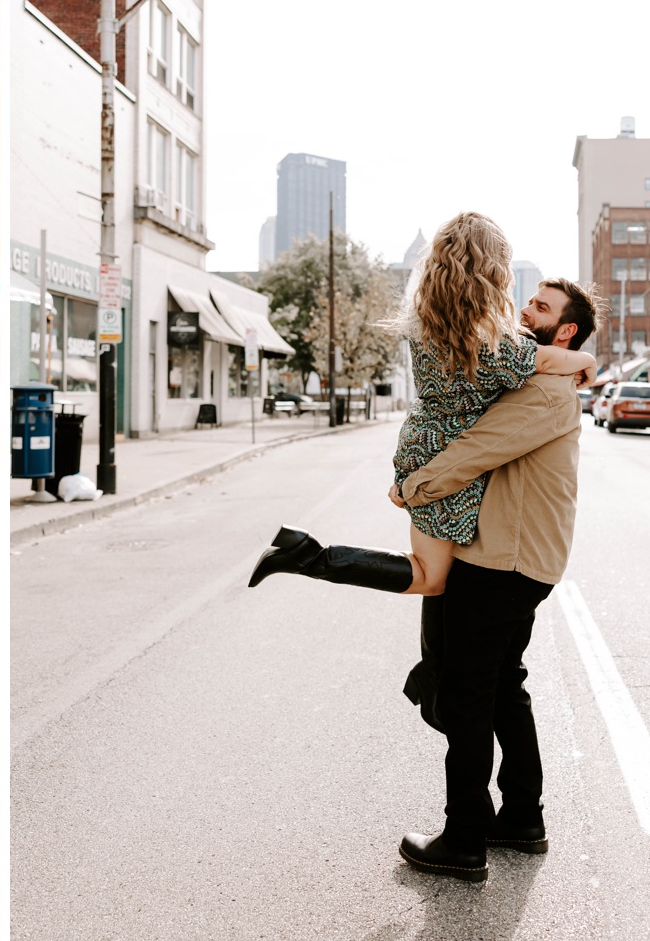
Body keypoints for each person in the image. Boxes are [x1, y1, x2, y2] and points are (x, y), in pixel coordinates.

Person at [248, 213, 596, 596]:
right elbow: (546, 360)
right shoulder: (497, 343)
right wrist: (587, 361)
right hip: (445, 454)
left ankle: (307, 555)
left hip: (420, 440)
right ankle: (309, 556)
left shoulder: (427, 319)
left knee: (433, 574)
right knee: (431, 579)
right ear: (493, 270)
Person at [382, 277, 596, 880]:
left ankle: (464, 837)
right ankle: (522, 817)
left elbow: (478, 447)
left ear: (567, 329)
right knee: (502, 686)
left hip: (505, 559)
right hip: (518, 555)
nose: (527, 309)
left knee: (468, 694)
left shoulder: (548, 391)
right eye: (528, 300)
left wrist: (412, 487)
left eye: (542, 307)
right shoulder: (538, 373)